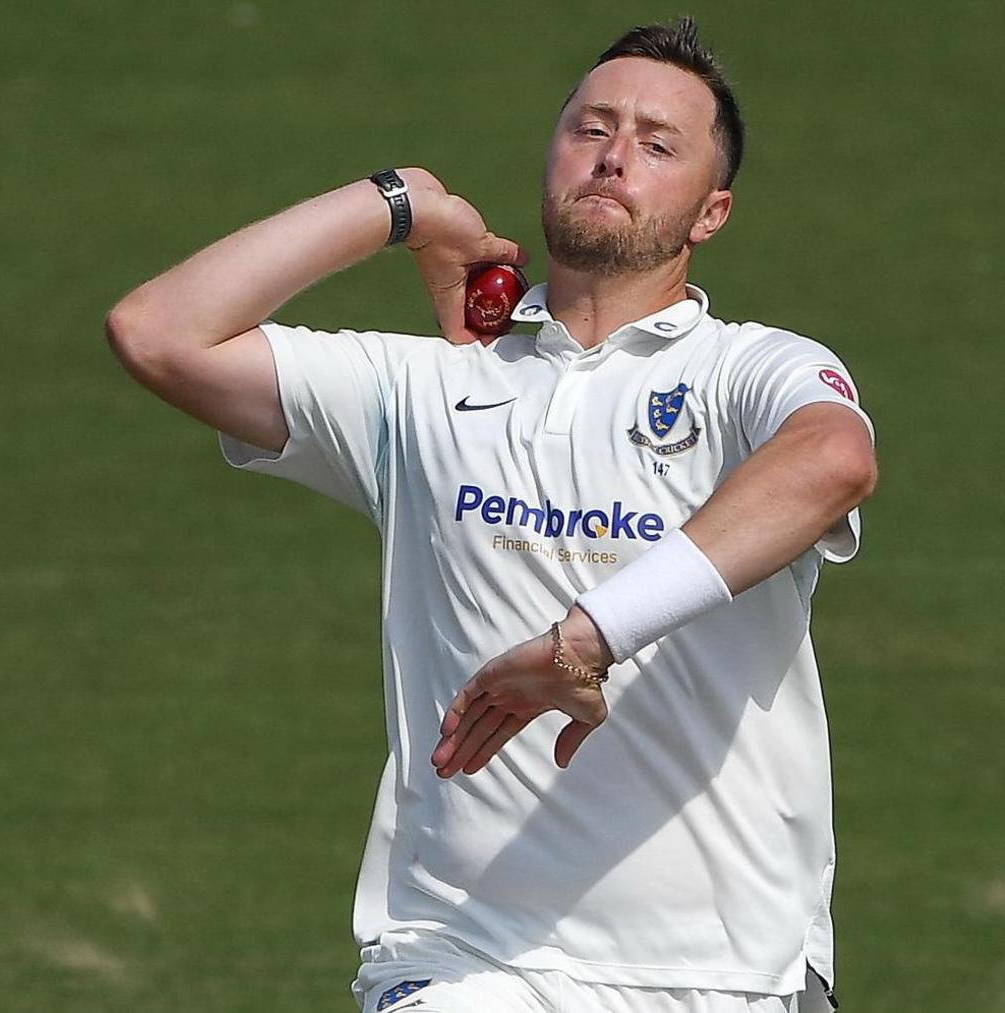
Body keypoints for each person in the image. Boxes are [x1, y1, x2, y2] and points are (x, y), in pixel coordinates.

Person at [106, 17, 877, 1013]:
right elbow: (157, 333)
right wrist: (403, 206)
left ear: (710, 211)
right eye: (591, 127)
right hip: (471, 963)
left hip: (727, 971)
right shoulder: (421, 391)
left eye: (656, 143)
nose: (613, 157)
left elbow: (833, 459)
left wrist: (589, 637)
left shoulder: (746, 370)